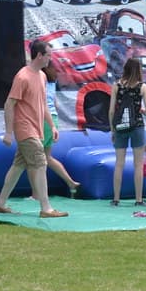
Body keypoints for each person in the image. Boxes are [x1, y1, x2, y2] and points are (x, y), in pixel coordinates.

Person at [0, 40, 68, 218]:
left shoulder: (41, 76)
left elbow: (43, 104)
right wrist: (9, 133)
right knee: (40, 164)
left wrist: (51, 125)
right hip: (25, 128)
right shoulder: (23, 77)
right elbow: (9, 104)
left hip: (37, 127)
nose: (51, 58)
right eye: (48, 55)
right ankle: (46, 208)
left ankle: (0, 203)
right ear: (39, 55)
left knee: (19, 165)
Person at [109, 58, 146, 207]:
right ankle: (138, 199)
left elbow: (112, 110)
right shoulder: (142, 87)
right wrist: (143, 110)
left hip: (120, 126)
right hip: (137, 126)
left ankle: (116, 198)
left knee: (119, 163)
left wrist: (113, 129)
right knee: (138, 164)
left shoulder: (116, 85)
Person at [42, 59, 80, 198]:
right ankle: (70, 182)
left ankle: (37, 193)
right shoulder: (52, 83)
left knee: (36, 159)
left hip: (44, 120)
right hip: (53, 119)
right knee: (46, 157)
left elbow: (43, 103)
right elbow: (55, 105)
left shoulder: (41, 81)